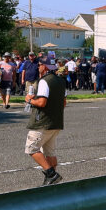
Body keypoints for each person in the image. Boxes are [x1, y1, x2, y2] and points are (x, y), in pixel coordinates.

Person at [26, 56, 66, 186]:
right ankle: (51, 181)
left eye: (39, 65)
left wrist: (30, 100)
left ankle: (51, 174)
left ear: (45, 66)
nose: (38, 67)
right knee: (50, 152)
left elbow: (42, 102)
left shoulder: (44, 81)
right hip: (56, 122)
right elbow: (64, 103)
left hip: (43, 122)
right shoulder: (60, 81)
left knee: (31, 148)